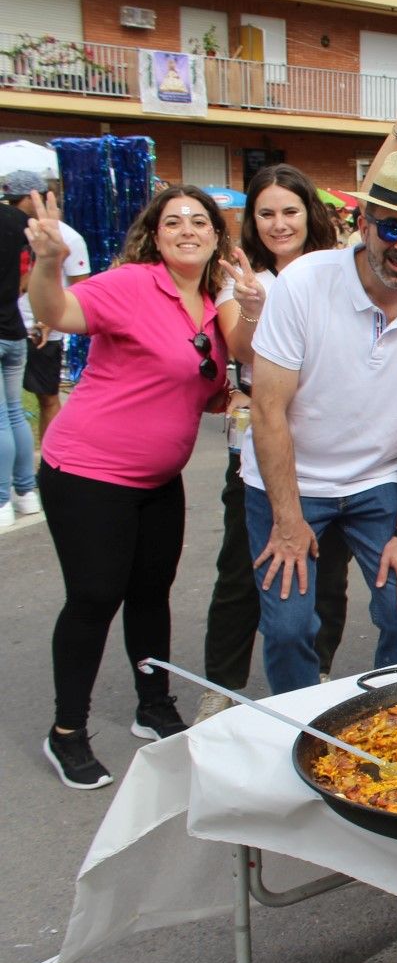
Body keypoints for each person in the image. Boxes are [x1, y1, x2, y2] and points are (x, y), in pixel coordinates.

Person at [25, 185, 232, 788]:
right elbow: (55, 312)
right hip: (88, 473)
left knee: (150, 593)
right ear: (156, 233)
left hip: (158, 481)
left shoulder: (217, 305)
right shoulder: (132, 284)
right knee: (94, 599)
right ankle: (67, 732)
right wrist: (46, 263)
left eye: (200, 221)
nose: (188, 229)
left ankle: (154, 703)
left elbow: (204, 383)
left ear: (217, 236)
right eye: (174, 222)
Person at [243, 152, 397, 694]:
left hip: (378, 482)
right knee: (290, 625)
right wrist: (288, 518)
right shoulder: (303, 282)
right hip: (291, 478)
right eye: (392, 227)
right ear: (364, 224)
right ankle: (298, 732)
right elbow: (267, 409)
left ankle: (388, 723)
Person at [201, 163, 349, 718]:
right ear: (252, 220)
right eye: (266, 213)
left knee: (326, 575)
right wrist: (256, 306)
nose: (279, 223)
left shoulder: (336, 272)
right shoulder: (240, 276)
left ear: (309, 213)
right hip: (258, 455)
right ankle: (222, 689)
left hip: (332, 454)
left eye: (290, 210)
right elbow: (241, 350)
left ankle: (318, 678)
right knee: (244, 571)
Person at [8, 171, 85, 450]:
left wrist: (50, 322)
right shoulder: (17, 233)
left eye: (23, 200)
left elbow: (80, 288)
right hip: (10, 326)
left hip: (41, 331)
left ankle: (50, 457)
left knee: (46, 397)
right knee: (11, 406)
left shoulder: (70, 239)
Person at [0, 172, 38, 526]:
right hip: (14, 326)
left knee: (2, 416)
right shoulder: (26, 226)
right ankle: (25, 493)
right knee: (13, 412)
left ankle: (2, 502)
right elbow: (28, 281)